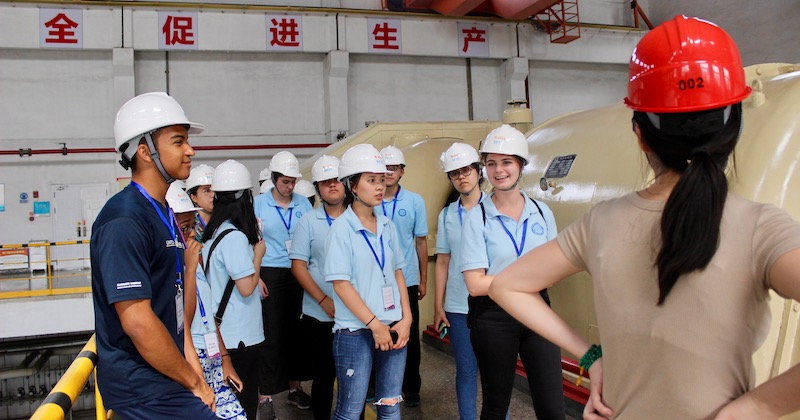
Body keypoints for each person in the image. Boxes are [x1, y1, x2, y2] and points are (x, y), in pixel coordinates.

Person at [490, 15, 800, 420]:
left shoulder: (600, 223)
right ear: (733, 127)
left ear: (639, 134)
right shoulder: (762, 228)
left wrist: (592, 358)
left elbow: (507, 286)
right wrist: (756, 406)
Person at [91, 92, 216, 418]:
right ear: (145, 151)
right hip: (142, 387)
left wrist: (193, 367)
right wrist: (192, 381)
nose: (190, 150)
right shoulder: (124, 219)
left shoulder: (163, 213)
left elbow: (173, 310)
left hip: (167, 374)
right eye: (178, 141)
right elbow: (138, 321)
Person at [460, 124, 564, 419]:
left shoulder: (542, 213)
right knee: (496, 406)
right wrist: (525, 281)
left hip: (537, 313)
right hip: (494, 318)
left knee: (553, 408)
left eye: (507, 162)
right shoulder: (476, 218)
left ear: (521, 165)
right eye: (491, 163)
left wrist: (515, 282)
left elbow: (555, 269)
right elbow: (475, 284)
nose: (498, 170)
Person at [324, 144, 413, 420]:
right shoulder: (341, 229)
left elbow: (398, 272)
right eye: (371, 181)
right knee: (350, 412)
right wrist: (374, 325)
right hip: (356, 332)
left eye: (381, 180)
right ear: (352, 185)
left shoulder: (387, 225)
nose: (379, 187)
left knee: (390, 406)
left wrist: (407, 318)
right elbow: (341, 285)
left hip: (393, 326)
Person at [167, 183, 247, 420]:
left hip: (211, 355)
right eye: (184, 228)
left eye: (192, 226)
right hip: (193, 359)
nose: (191, 234)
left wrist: (226, 360)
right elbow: (186, 318)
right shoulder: (175, 268)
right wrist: (189, 269)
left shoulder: (194, 262)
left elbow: (209, 315)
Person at [201, 160, 267, 419]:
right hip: (239, 337)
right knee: (245, 404)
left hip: (223, 333)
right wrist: (258, 255)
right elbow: (247, 287)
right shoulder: (235, 237)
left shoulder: (214, 232)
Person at [253, 151, 313, 419]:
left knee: (296, 332)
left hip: (298, 270)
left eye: (293, 182)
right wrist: (257, 277)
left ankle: (294, 389)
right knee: (271, 333)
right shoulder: (258, 204)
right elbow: (250, 242)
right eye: (285, 181)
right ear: (274, 178)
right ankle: (265, 396)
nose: (290, 187)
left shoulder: (304, 204)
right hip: (270, 271)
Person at [289, 155, 345, 419]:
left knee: (352, 375)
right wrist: (323, 300)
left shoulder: (360, 217)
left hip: (355, 313)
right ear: (318, 188)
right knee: (324, 375)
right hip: (319, 314)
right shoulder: (308, 221)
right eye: (325, 182)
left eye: (336, 180)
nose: (332, 186)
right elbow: (298, 266)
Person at [433, 143, 484, 420]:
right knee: (465, 370)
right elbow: (443, 261)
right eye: (455, 173)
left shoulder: (494, 207)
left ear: (478, 171)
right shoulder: (447, 215)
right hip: (457, 305)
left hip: (492, 302)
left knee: (494, 373)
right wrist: (439, 306)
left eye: (466, 170)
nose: (461, 177)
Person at [379, 145, 428, 407]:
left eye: (393, 168)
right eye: (384, 168)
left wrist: (423, 279)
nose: (388, 173)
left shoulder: (414, 201)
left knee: (408, 335)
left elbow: (421, 242)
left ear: (402, 171)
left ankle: (411, 388)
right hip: (377, 281)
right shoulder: (369, 201)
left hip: (406, 280)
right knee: (379, 332)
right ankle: (380, 385)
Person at [185, 163, 215, 239]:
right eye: (207, 191)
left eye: (215, 190)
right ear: (193, 197)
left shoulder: (225, 220)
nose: (213, 195)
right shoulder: (187, 225)